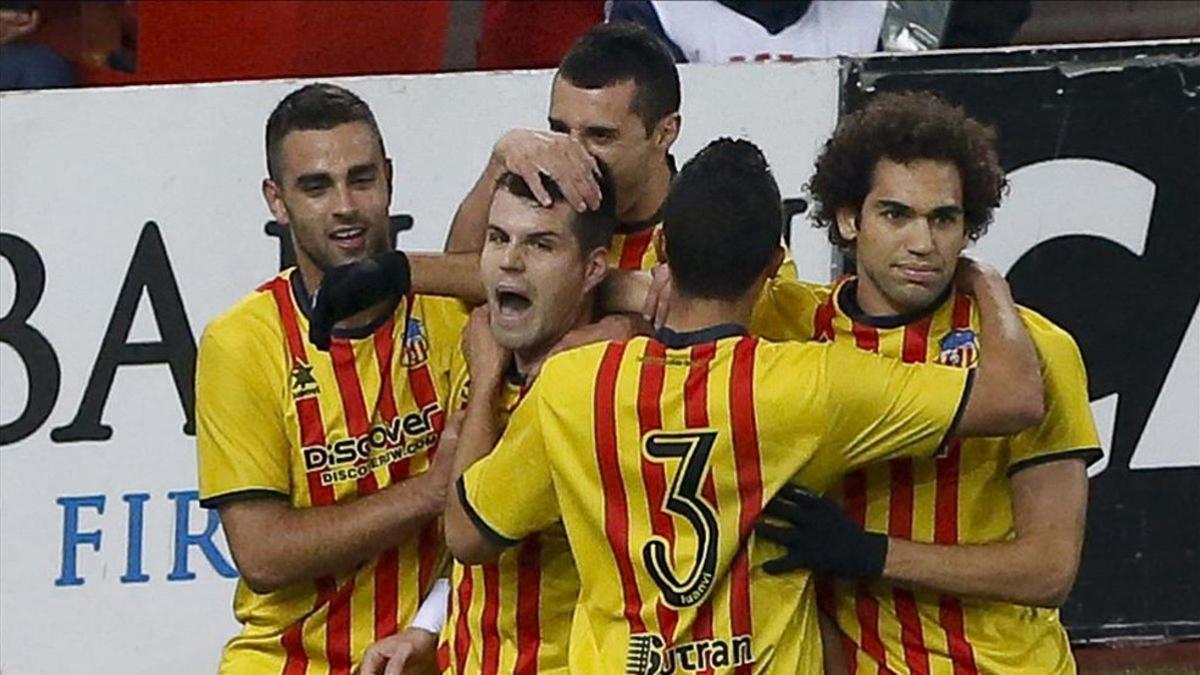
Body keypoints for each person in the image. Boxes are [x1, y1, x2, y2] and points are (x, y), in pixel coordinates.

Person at [443, 138, 1046, 673]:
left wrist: (488, 379)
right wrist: (986, 283)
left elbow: (467, 535)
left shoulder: (575, 382)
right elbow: (1014, 397)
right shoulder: (808, 384)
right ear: (771, 262)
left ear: (660, 253)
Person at [751, 91, 1101, 675]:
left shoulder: (1036, 350)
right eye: (895, 214)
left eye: (944, 218)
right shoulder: (789, 326)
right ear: (846, 218)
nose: (923, 242)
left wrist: (871, 554)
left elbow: (1049, 570)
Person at [195, 83, 476, 674]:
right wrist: (428, 492)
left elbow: (537, 279)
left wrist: (506, 153)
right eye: (316, 187)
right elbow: (263, 554)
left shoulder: (450, 310)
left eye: (362, 179)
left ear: (389, 179)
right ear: (277, 200)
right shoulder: (243, 341)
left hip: (432, 657)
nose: (345, 204)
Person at [445, 20, 797, 278]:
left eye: (600, 136)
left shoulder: (720, 226)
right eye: (560, 130)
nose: (573, 154)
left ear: (664, 133)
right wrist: (498, 163)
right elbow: (453, 297)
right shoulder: (545, 198)